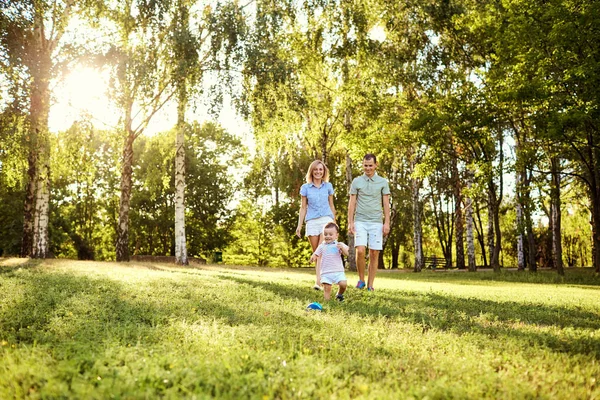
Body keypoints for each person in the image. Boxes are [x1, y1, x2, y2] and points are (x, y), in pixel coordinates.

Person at [347, 153, 390, 291]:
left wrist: (387, 223)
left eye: (370, 165)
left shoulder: (383, 182)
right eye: (365, 165)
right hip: (360, 220)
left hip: (376, 222)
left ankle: (370, 285)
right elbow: (352, 203)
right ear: (362, 165)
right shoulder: (357, 181)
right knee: (360, 250)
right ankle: (361, 280)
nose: (368, 168)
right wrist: (350, 222)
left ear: (376, 165)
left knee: (374, 253)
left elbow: (386, 204)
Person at [296, 160, 336, 290]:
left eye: (321, 169)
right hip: (312, 221)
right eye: (316, 170)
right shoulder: (305, 188)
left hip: (326, 219)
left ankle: (319, 282)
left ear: (324, 172)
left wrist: (334, 223)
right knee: (317, 253)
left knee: (321, 250)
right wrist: (299, 226)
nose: (318, 172)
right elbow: (303, 208)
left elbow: (331, 205)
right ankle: (323, 279)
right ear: (311, 171)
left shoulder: (328, 186)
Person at [310, 222, 348, 301]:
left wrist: (343, 249)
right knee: (327, 288)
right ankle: (327, 302)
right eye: (325, 234)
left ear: (336, 235)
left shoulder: (339, 245)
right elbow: (316, 254)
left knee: (343, 284)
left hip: (338, 271)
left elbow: (347, 254)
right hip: (326, 272)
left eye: (330, 234)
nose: (328, 236)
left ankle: (339, 294)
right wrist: (313, 257)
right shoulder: (322, 246)